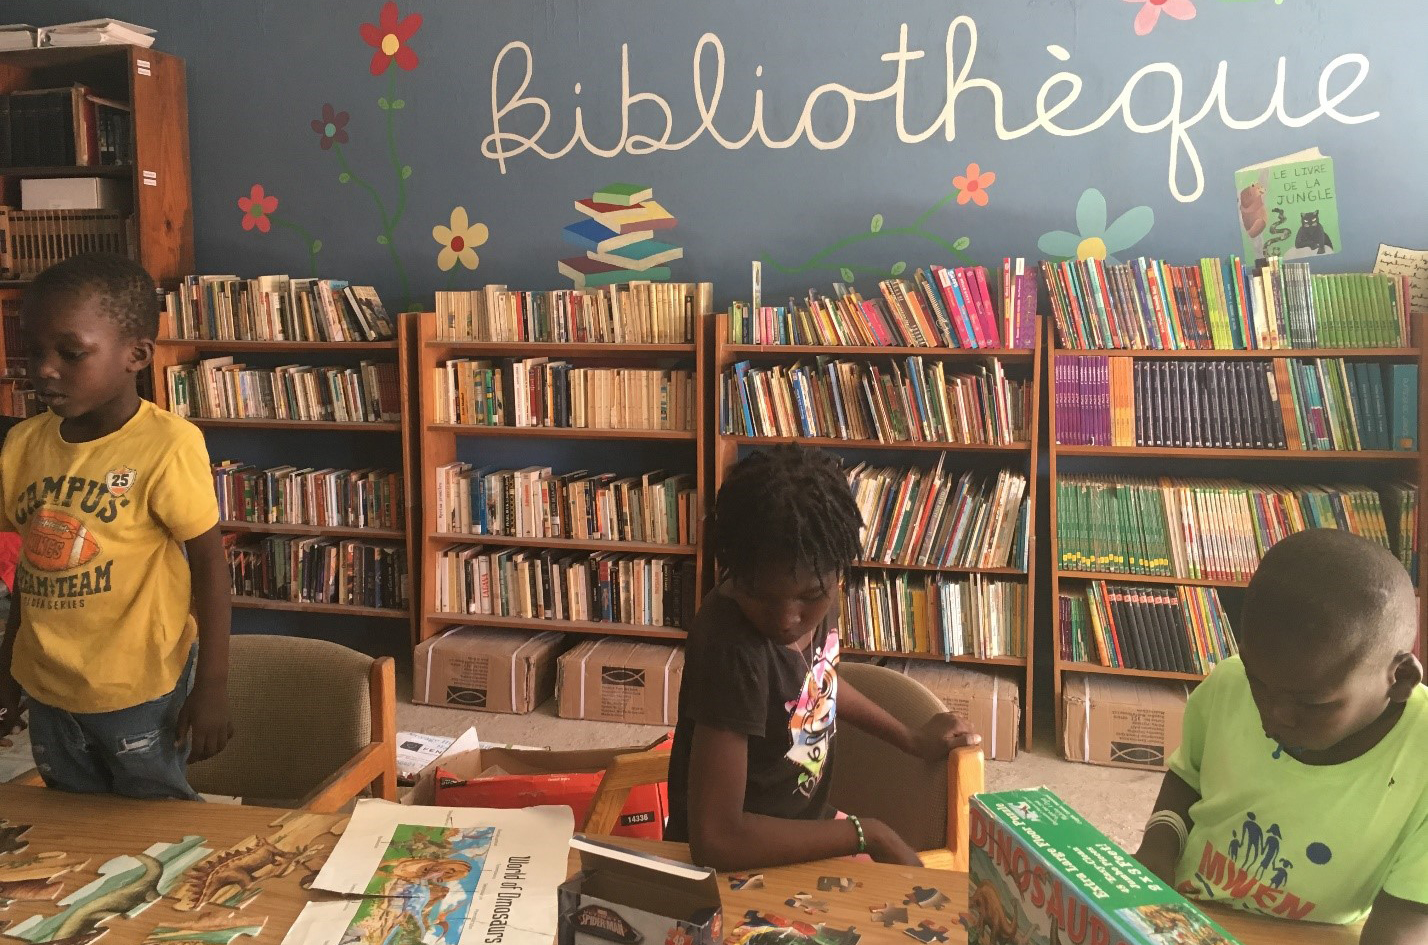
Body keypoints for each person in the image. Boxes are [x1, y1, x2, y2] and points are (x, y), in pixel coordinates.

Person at [666, 444, 980, 870]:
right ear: (733, 571)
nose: (787, 620)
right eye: (761, 597)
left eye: (810, 598)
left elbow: (816, 681)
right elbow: (717, 839)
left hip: (801, 828)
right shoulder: (733, 649)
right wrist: (867, 832)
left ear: (839, 571)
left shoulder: (814, 571)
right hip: (737, 865)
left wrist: (910, 738)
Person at [0, 253, 232, 799]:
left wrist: (213, 686)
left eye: (70, 353)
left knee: (155, 817)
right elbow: (30, 572)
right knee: (74, 820)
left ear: (137, 355)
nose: (44, 369)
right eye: (33, 351)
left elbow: (209, 565)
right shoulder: (23, 445)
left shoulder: (168, 445)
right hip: (50, 686)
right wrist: (9, 670)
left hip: (139, 687)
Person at [1134, 528, 1428, 943]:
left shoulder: (1422, 759)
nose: (1274, 716)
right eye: (1258, 681)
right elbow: (1188, 776)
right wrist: (1158, 848)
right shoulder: (1229, 683)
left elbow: (1405, 921)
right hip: (1188, 910)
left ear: (1399, 681)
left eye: (1311, 704)